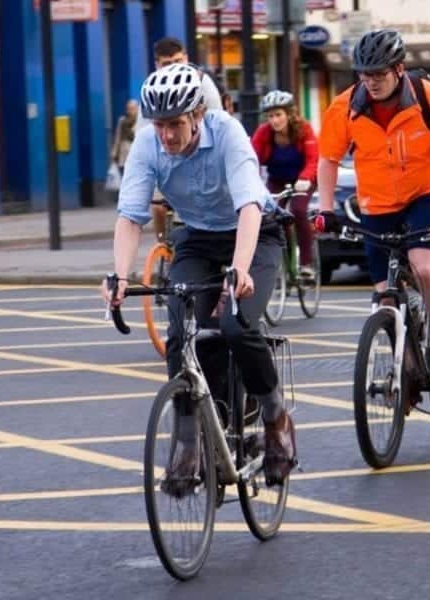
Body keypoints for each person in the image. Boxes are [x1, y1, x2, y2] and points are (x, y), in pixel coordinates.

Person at [101, 64, 295, 488]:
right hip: (199, 238)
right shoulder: (148, 143)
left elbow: (248, 207)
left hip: (254, 235)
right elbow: (130, 215)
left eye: (175, 125)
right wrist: (118, 275)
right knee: (181, 333)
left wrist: (240, 270)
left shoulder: (227, 132)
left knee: (236, 324)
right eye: (159, 125)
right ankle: (188, 445)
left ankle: (275, 417)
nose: (166, 135)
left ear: (197, 116)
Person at [315, 29, 430, 382]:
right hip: (378, 202)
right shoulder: (345, 108)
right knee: (384, 297)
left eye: (379, 74)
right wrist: (325, 210)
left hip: (428, 192)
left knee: (423, 268)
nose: (370, 82)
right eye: (364, 74)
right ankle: (408, 370)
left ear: (399, 69)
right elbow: (327, 160)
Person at [148, 37, 225, 243]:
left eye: (177, 61)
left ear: (187, 59)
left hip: (200, 155)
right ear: (157, 65)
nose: (173, 67)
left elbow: (217, 124)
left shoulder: (203, 84)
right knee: (157, 206)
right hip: (165, 157)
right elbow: (143, 132)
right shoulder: (153, 86)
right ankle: (164, 247)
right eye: (166, 64)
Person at [251, 90, 319, 278]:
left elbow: (313, 158)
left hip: (302, 180)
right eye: (270, 116)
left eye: (278, 115)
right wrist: (252, 183)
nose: (274, 120)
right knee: (275, 216)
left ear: (289, 114)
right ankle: (288, 263)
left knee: (298, 211)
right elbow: (251, 159)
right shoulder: (264, 133)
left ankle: (306, 263)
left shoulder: (304, 129)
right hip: (277, 179)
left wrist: (305, 178)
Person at [110, 99, 139, 176]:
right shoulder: (122, 121)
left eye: (133, 108)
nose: (130, 111)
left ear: (137, 109)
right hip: (123, 155)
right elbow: (117, 137)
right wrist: (114, 152)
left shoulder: (140, 121)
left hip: (136, 155)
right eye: (129, 108)